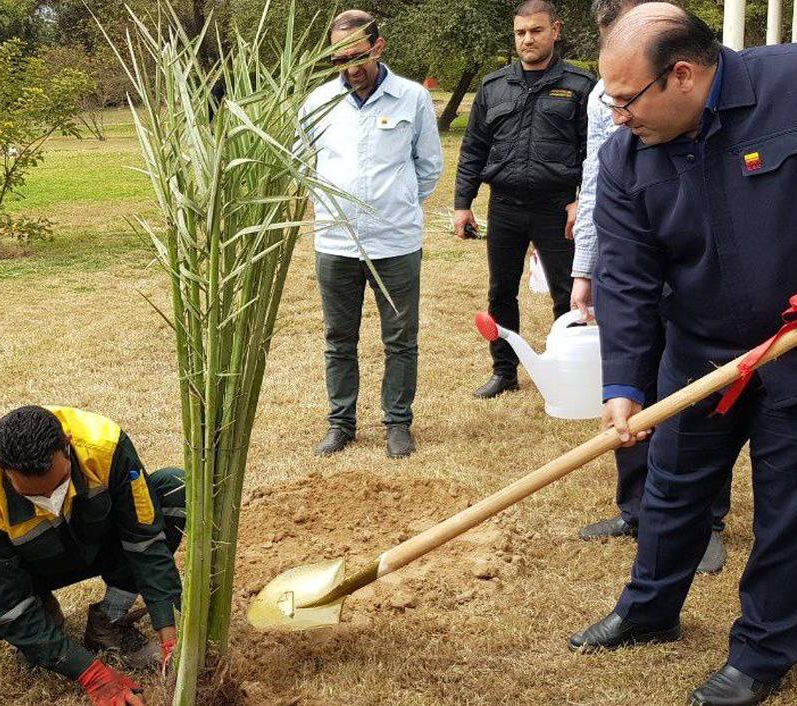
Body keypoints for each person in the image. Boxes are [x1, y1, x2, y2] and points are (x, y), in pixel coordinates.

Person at [568, 6, 797, 705]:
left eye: (626, 99)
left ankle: (761, 654)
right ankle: (649, 608)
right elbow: (626, 278)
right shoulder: (625, 157)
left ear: (683, 74)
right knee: (672, 485)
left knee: (791, 507)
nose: (617, 116)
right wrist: (624, 385)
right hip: (699, 351)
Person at [571, 0, 729, 576]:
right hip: (641, 268)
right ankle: (640, 514)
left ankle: (706, 523)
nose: (617, 116)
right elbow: (598, 184)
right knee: (636, 400)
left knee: (699, 412)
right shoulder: (618, 107)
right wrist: (585, 268)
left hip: (708, 296)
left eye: (626, 102)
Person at [0, 405, 184, 706]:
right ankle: (43, 620)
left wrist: (169, 630)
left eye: (61, 483)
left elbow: (145, 539)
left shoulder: (105, 445)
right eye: (32, 495)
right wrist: (92, 675)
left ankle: (110, 619)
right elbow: (4, 603)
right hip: (33, 567)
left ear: (67, 444)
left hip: (101, 543)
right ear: (4, 471)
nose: (50, 499)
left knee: (176, 488)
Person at [299, 9, 443, 459]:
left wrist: (396, 203)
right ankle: (340, 423)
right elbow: (303, 164)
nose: (350, 68)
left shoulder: (412, 98)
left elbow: (428, 166)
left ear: (378, 47)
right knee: (338, 339)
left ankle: (398, 423)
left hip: (395, 242)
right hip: (336, 243)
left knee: (400, 339)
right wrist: (329, 209)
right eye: (339, 59)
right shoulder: (318, 102)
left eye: (357, 56)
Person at [453, 0, 594, 399]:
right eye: (520, 33)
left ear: (555, 31)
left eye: (535, 30)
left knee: (568, 293)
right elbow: (473, 148)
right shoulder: (493, 86)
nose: (527, 39)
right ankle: (504, 371)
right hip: (505, 206)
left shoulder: (581, 86)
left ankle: (567, 370)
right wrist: (462, 204)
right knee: (501, 291)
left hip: (559, 208)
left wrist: (581, 199)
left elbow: (595, 151)